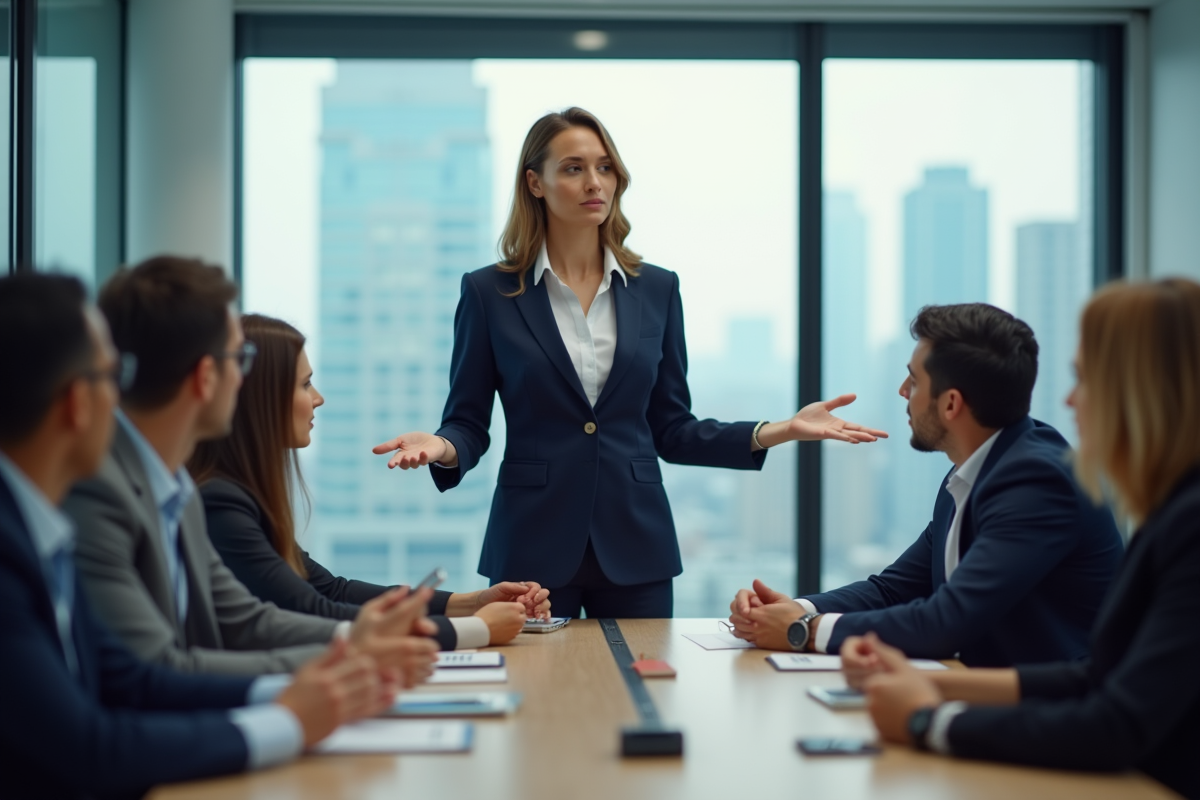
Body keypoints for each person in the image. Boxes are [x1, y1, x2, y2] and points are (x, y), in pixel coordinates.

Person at [370, 107, 887, 619]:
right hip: (531, 546)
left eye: (605, 167)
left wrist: (781, 429)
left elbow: (673, 429)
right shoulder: (489, 292)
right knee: (541, 697)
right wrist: (441, 445)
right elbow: (468, 422)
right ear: (535, 182)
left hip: (638, 547)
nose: (595, 181)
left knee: (642, 695)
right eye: (573, 168)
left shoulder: (657, 289)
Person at [0, 272, 400, 799]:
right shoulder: (42, 533)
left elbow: (133, 677)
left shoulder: (51, 526)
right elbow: (90, 743)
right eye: (110, 376)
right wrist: (291, 718)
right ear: (78, 402)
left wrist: (313, 691)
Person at [855, 279, 1200, 800]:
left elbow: (1115, 724)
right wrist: (932, 683)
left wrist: (930, 720)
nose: (1067, 399)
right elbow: (1098, 677)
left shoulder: (1188, 525)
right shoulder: (1173, 511)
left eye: (1084, 379)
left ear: (1143, 392)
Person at [64, 256, 439, 678]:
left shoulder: (177, 493)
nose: (245, 379)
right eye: (238, 360)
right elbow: (153, 672)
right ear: (206, 377)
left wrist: (360, 643)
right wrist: (347, 661)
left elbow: (248, 619)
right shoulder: (108, 495)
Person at [729, 303, 1123, 666]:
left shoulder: (1037, 482)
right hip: (976, 696)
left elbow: (945, 622)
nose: (902, 391)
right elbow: (894, 590)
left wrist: (803, 632)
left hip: (1049, 722)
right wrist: (797, 609)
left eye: (914, 381)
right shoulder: (973, 471)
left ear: (951, 404)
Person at [189, 314, 551, 651]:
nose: (318, 398)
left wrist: (473, 603)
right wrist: (474, 630)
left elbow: (332, 590)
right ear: (260, 399)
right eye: (305, 384)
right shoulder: (221, 504)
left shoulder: (240, 496)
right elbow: (311, 610)